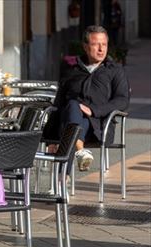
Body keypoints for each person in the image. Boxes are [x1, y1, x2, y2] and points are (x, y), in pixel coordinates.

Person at [44, 25, 129, 171]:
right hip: (70, 123)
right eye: (96, 44)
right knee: (72, 108)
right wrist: (50, 137)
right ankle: (80, 151)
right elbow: (58, 103)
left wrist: (93, 110)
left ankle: (63, 179)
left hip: (99, 127)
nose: (101, 49)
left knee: (71, 121)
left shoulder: (115, 70)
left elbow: (122, 100)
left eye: (104, 44)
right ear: (85, 46)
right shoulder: (71, 70)